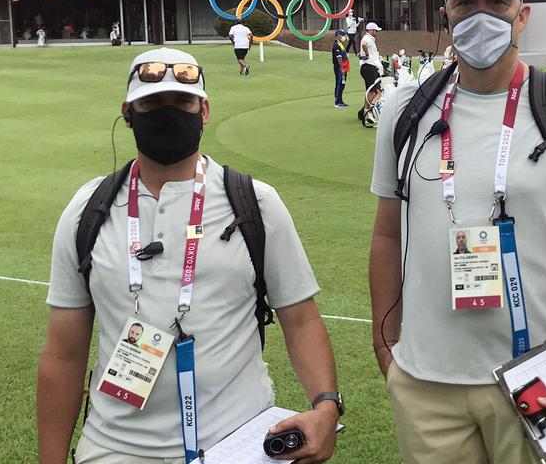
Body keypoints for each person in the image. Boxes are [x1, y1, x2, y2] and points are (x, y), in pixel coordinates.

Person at [369, 0, 546, 463]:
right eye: (465, 2)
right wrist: (387, 346)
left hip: (537, 379)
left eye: (496, 1)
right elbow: (386, 233)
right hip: (427, 385)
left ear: (522, 14)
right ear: (446, 13)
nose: (480, 14)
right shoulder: (405, 109)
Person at [38, 47, 342, 464]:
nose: (168, 113)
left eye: (182, 101)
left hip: (238, 442)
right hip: (114, 448)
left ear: (204, 110)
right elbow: (63, 354)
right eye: (151, 103)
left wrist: (325, 406)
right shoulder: (87, 210)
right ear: (128, 113)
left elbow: (301, 318)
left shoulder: (255, 203)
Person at [359, 22, 382, 90]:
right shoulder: (367, 38)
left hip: (369, 66)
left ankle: (369, 101)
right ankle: (371, 101)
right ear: (372, 30)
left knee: (371, 91)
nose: (377, 33)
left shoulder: (370, 38)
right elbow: (364, 44)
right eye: (376, 31)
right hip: (369, 66)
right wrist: (367, 54)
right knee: (376, 92)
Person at [331, 29, 349, 108]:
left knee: (342, 84)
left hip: (343, 66)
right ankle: (337, 102)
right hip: (339, 67)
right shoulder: (336, 45)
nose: (344, 37)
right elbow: (339, 58)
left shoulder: (340, 44)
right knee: (339, 83)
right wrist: (342, 68)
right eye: (342, 35)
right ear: (338, 36)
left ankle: (340, 100)